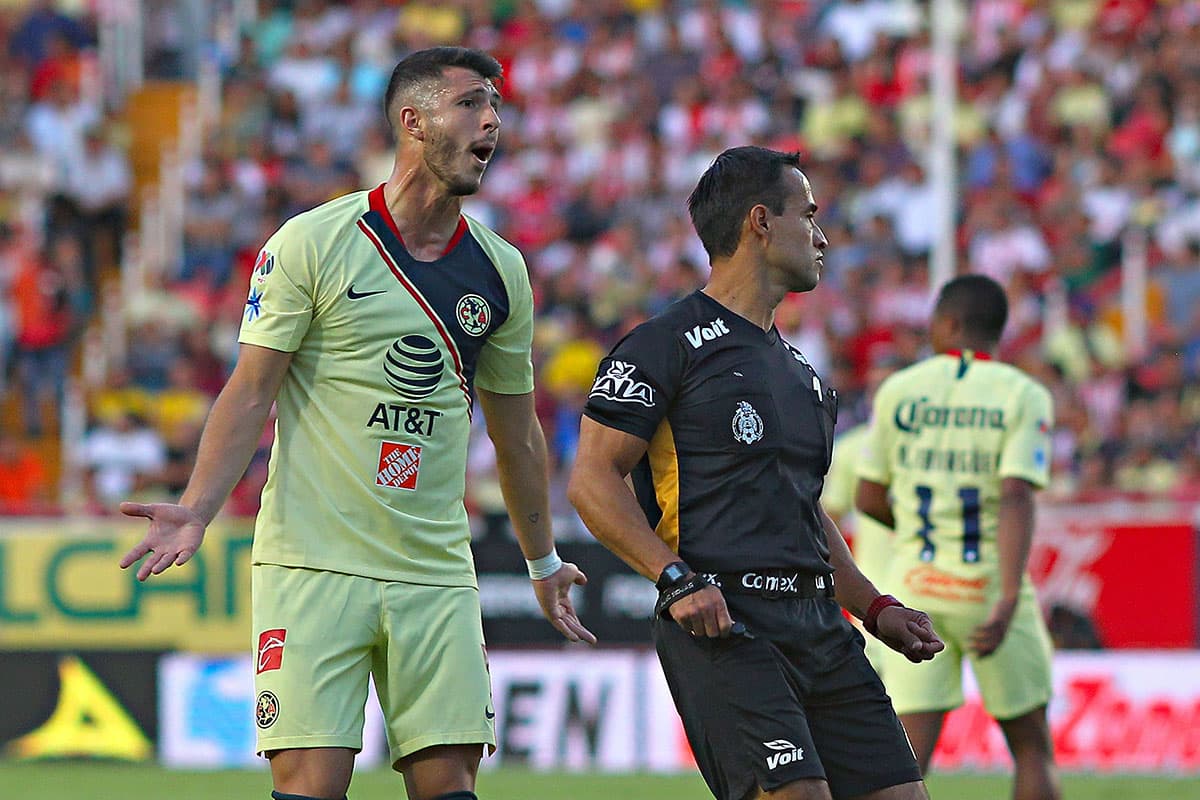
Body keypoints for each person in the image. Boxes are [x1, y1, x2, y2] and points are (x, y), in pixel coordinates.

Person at [118, 47, 595, 800]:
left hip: (436, 568)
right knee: (311, 784)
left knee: (450, 784)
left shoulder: (502, 270)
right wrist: (197, 507)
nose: (492, 122)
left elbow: (518, 435)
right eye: (471, 103)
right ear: (414, 121)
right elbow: (251, 391)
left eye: (496, 106)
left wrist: (541, 563)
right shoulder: (313, 242)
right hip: (313, 562)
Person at [568, 146, 943, 800]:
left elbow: (801, 507)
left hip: (821, 625)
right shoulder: (663, 345)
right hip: (724, 623)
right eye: (810, 215)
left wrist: (874, 605)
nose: (823, 237)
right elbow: (592, 481)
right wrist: (676, 579)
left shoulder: (804, 375)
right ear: (761, 222)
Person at [854, 274, 1060, 800]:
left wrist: (923, 531)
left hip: (917, 587)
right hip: (989, 588)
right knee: (1032, 751)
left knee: (906, 761)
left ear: (948, 323)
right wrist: (1008, 598)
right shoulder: (1023, 394)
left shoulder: (900, 391)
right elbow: (1015, 496)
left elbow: (868, 497)